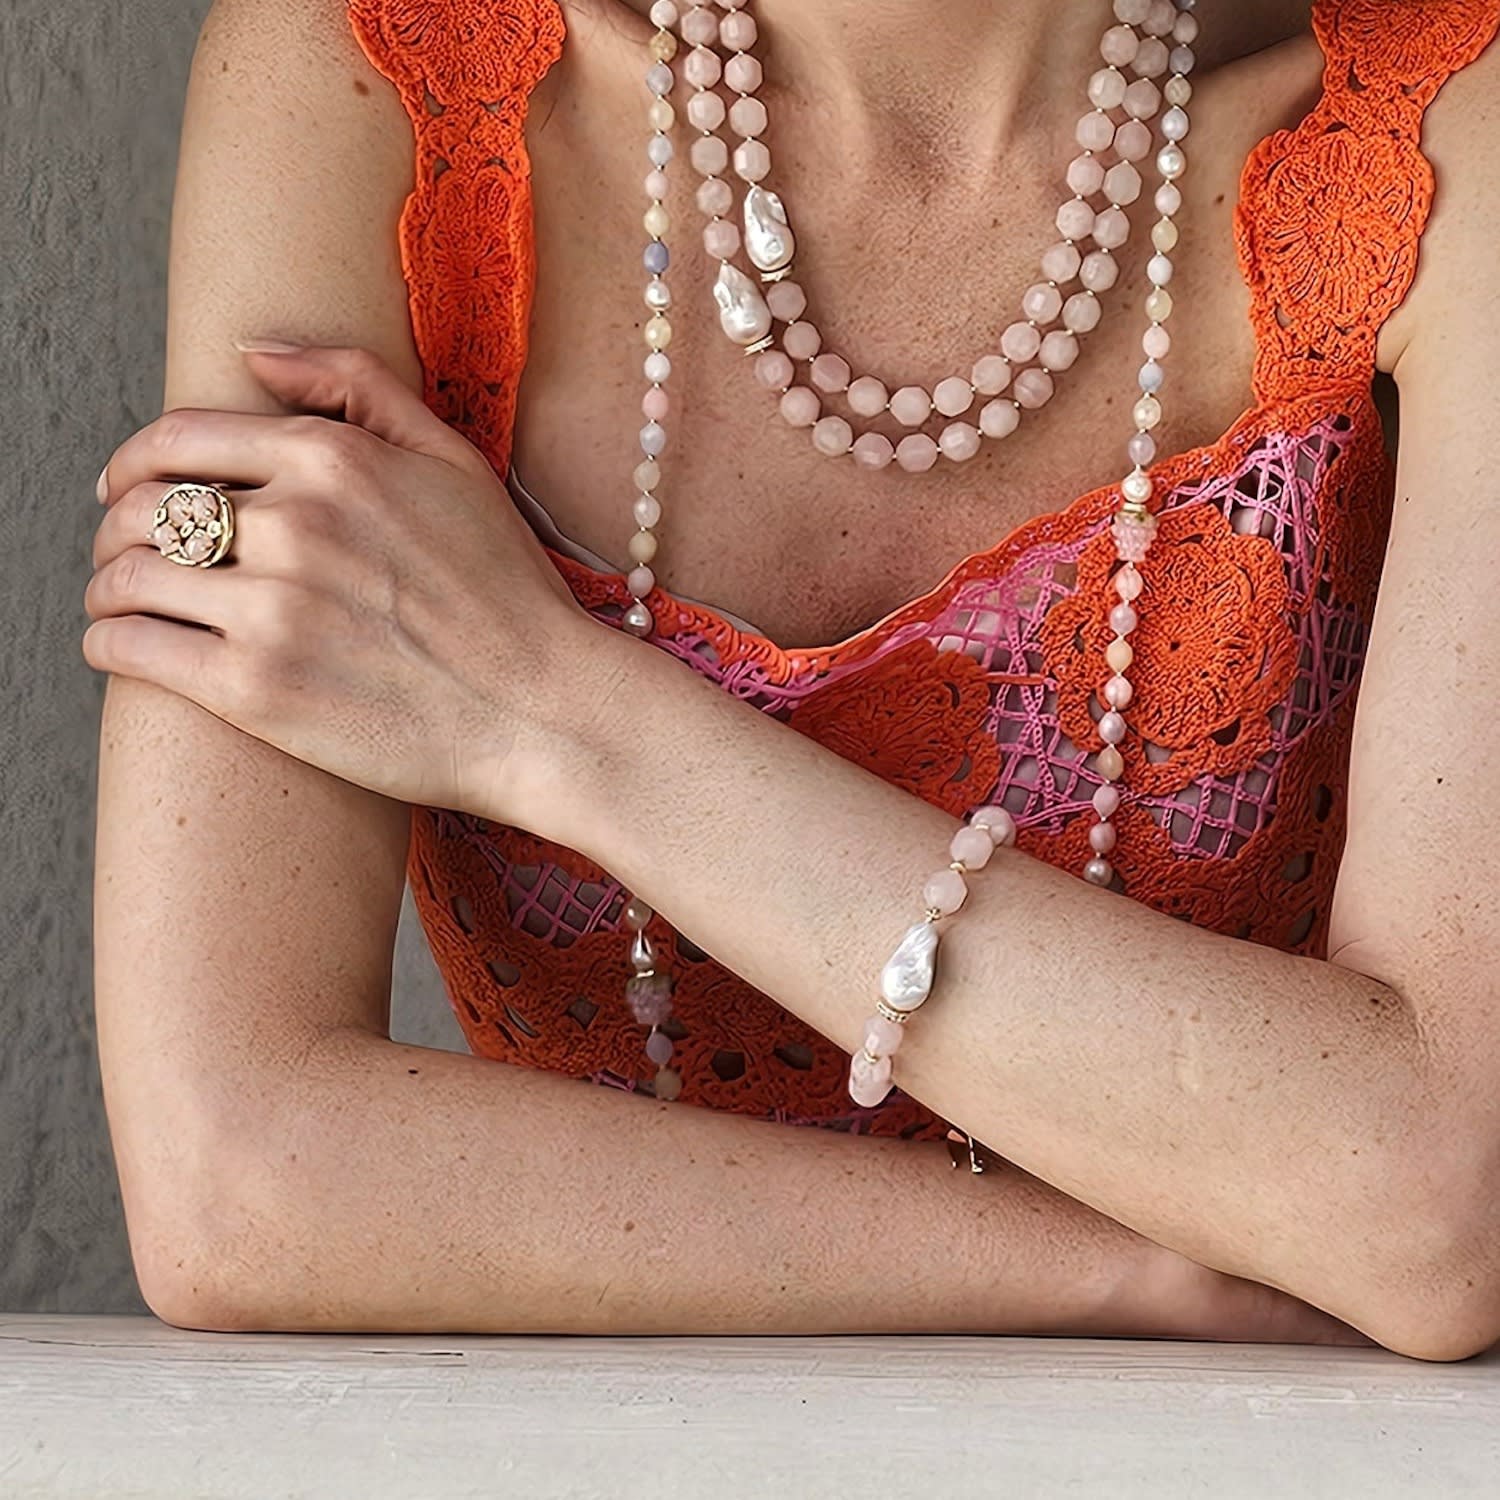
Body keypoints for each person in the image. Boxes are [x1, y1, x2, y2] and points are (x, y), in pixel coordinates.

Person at [83, 0, 1500, 1359]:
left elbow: (1440, 1203)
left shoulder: (1445, 118)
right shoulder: (376, 81)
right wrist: (1133, 1263)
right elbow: (235, 1175)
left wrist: (553, 715)